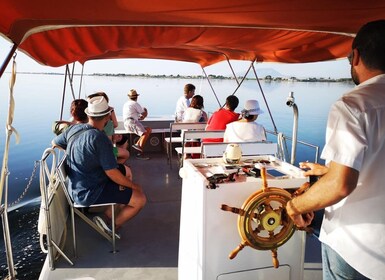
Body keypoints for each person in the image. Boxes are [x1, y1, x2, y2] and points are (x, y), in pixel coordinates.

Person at [286, 20, 385, 280]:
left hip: (358, 251)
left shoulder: (353, 105)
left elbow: (340, 185)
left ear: (356, 57)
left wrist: (295, 206)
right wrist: (328, 170)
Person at [52, 96, 146, 236]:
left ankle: (109, 213)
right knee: (140, 199)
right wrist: (134, 187)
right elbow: (112, 173)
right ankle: (111, 228)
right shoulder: (100, 138)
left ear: (88, 115)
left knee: (126, 175)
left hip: (75, 187)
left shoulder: (74, 129)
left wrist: (75, 151)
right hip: (90, 191)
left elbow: (55, 143)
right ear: (107, 117)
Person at [88, 92, 130, 164]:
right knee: (126, 153)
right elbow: (115, 125)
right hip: (108, 150)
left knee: (124, 139)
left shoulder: (90, 122)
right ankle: (117, 166)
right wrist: (114, 141)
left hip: (96, 150)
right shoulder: (109, 124)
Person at [123, 89, 152, 160]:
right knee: (144, 133)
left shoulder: (126, 104)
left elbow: (133, 115)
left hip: (128, 123)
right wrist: (146, 111)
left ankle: (137, 144)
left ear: (129, 97)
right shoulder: (135, 104)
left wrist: (140, 118)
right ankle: (140, 154)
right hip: (131, 122)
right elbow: (143, 113)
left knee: (148, 129)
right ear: (136, 97)